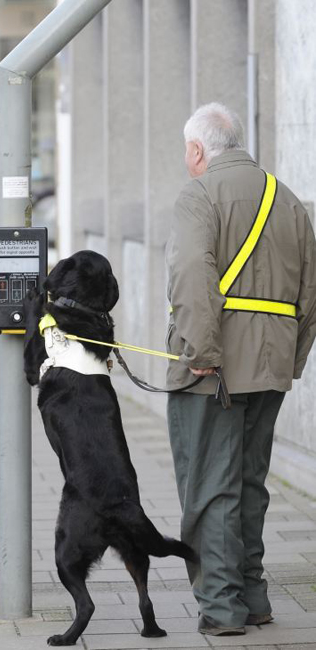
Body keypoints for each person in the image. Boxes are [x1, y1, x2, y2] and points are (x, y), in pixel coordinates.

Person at [165, 102, 316, 637]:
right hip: (270, 367)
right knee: (250, 484)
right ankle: (254, 600)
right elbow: (311, 295)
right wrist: (290, 360)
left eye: (187, 151)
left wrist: (203, 354)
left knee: (210, 488)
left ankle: (223, 609)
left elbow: (190, 275)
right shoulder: (289, 200)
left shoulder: (198, 195)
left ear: (199, 150)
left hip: (214, 371)